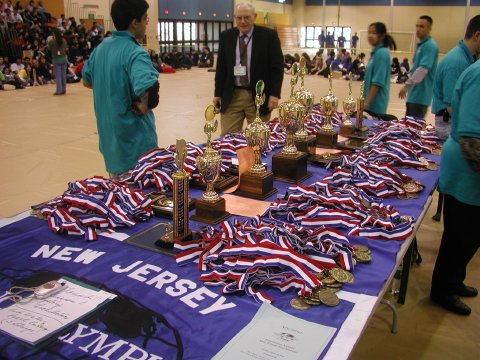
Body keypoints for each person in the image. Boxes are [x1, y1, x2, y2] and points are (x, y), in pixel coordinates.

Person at [82, 0, 160, 179]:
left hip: (111, 147)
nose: (146, 24)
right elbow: (150, 89)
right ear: (135, 22)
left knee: (119, 200)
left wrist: (111, 87)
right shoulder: (135, 52)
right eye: (145, 19)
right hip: (137, 150)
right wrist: (144, 106)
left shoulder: (100, 49)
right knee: (140, 201)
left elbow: (86, 80)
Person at [430, 59, 480, 316]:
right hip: (467, 170)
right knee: (460, 236)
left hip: (469, 172)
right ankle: (443, 290)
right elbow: (471, 138)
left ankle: (454, 281)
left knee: (470, 237)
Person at [213, 2, 283, 136]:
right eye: (239, 18)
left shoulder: (268, 36)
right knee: (228, 137)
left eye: (246, 17)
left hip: (258, 96)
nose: (242, 21)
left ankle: (256, 158)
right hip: (232, 96)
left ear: (254, 16)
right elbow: (221, 67)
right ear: (234, 17)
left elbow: (277, 67)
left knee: (258, 138)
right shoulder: (226, 36)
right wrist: (218, 93)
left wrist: (274, 94)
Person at [431, 15, 480, 141]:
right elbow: (452, 107)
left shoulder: (467, 58)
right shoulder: (457, 63)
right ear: (477, 35)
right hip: (448, 125)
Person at [398, 15, 439, 119]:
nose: (418, 29)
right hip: (413, 97)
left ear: (429, 29)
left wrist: (406, 86)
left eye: (422, 26)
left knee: (413, 130)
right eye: (417, 26)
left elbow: (422, 70)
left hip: (420, 98)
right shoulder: (422, 45)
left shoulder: (430, 46)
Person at [363, 22, 397, 118]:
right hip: (370, 102)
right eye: (369, 32)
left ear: (381, 36)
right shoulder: (375, 53)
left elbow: (377, 82)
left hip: (376, 103)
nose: (370, 35)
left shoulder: (382, 53)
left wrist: (366, 103)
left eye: (374, 33)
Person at [48, 28, 67, 95]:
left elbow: (49, 49)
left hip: (56, 59)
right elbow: (65, 48)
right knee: (63, 75)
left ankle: (59, 90)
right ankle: (64, 89)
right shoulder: (64, 40)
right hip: (64, 58)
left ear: (54, 34)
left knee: (58, 75)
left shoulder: (52, 41)